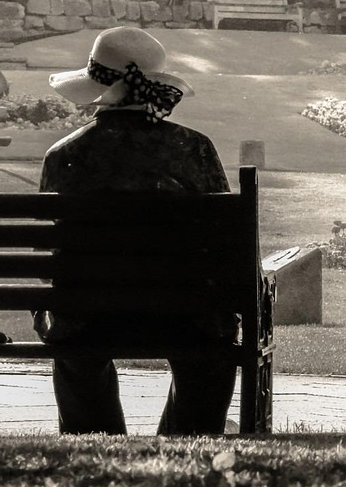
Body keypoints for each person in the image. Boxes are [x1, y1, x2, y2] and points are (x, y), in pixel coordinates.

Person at [36, 26, 238, 435]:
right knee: (209, 356)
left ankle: (94, 440)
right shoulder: (196, 149)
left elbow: (50, 249)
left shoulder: (65, 155)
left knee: (78, 354)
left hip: (88, 318)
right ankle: (185, 441)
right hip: (185, 318)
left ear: (96, 85)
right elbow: (223, 240)